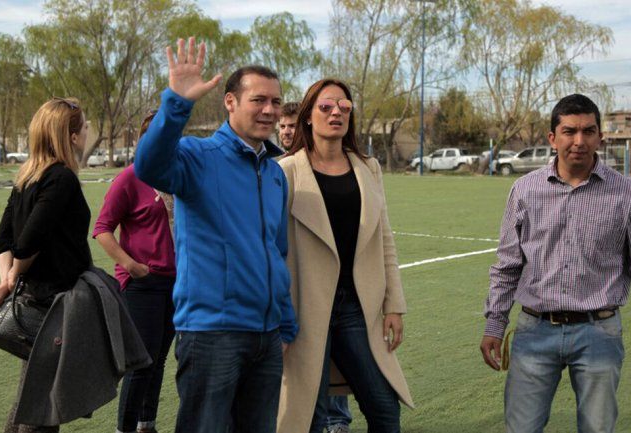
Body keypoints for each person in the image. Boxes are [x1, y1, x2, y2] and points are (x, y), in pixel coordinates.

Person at [480, 93, 631, 433]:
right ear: (552, 138)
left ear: (600, 136)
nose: (579, 141)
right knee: (521, 428)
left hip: (598, 332)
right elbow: (508, 265)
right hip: (534, 331)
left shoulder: (629, 196)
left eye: (588, 131)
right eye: (569, 131)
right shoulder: (525, 191)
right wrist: (494, 324)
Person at [134, 37, 297, 433]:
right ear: (230, 102)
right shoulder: (197, 156)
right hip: (212, 334)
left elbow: (276, 251)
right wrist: (177, 101)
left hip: (267, 335)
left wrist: (285, 321)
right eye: (258, 100)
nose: (269, 110)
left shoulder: (275, 172)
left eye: (275, 102)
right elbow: (148, 165)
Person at [277, 78, 413, 433]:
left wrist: (393, 305)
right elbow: (271, 247)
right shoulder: (286, 171)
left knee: (384, 407)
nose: (336, 112)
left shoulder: (368, 168)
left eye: (344, 107)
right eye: (326, 106)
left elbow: (384, 238)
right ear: (308, 116)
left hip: (356, 307)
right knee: (309, 414)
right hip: (304, 308)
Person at [0, 97, 92, 432]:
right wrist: (13, 277)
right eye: (84, 127)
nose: (87, 132)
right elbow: (26, 242)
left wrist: (6, 281)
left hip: (36, 301)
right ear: (71, 137)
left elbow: (4, 240)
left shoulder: (26, 178)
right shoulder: (61, 179)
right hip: (56, 305)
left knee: (31, 397)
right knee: (44, 408)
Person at [94, 110, 175, 433]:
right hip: (144, 283)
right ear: (146, 139)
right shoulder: (130, 177)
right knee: (141, 364)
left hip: (178, 283)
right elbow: (102, 228)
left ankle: (147, 424)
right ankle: (125, 429)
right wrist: (128, 264)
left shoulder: (176, 175)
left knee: (158, 362)